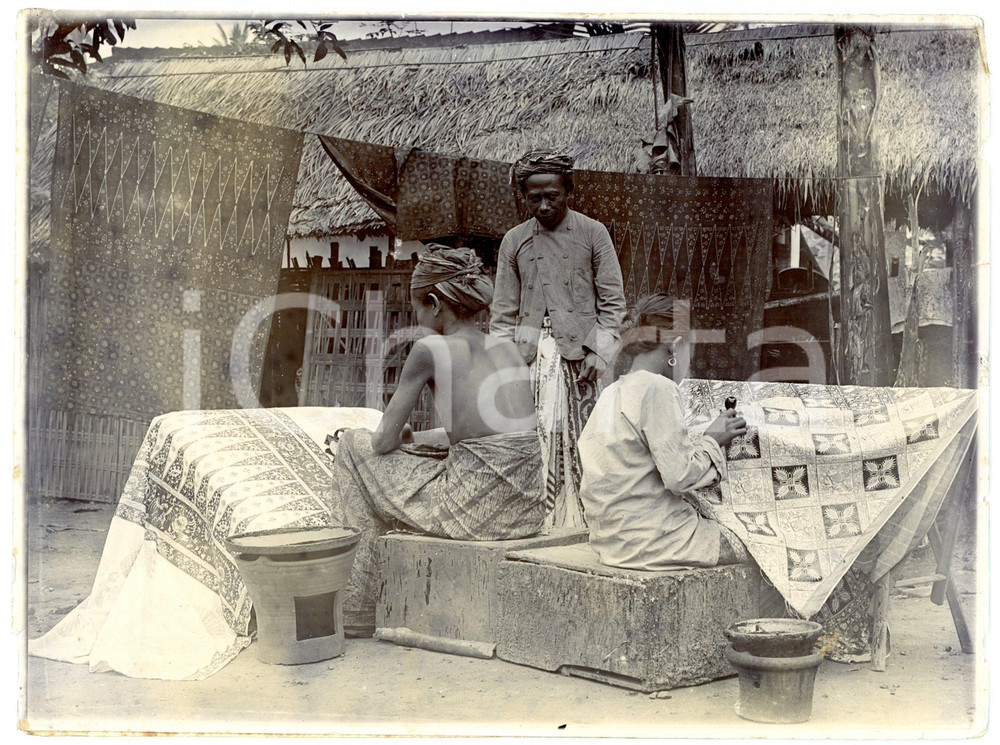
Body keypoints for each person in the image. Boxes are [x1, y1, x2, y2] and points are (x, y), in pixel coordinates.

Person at [332, 245, 545, 634]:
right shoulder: (507, 348)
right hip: (526, 510)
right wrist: (415, 440)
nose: (415, 318)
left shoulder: (429, 349)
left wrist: (397, 439)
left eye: (415, 308)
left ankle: (356, 610)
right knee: (424, 453)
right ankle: (365, 603)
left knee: (350, 446)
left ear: (433, 303)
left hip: (475, 514)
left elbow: (380, 444)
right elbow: (486, 438)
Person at [490, 150, 626, 528]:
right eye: (535, 198)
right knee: (534, 438)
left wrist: (599, 350)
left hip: (583, 359)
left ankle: (587, 521)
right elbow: (502, 313)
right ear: (524, 197)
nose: (545, 206)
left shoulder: (593, 233)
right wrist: (504, 364)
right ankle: (540, 520)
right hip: (530, 359)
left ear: (568, 191)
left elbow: (613, 304)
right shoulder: (514, 241)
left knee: (585, 439)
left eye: (553, 196)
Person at [577, 294, 750, 569]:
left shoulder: (611, 392)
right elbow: (680, 476)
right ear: (675, 346)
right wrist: (712, 439)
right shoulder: (659, 388)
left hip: (611, 542)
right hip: (653, 542)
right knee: (756, 541)